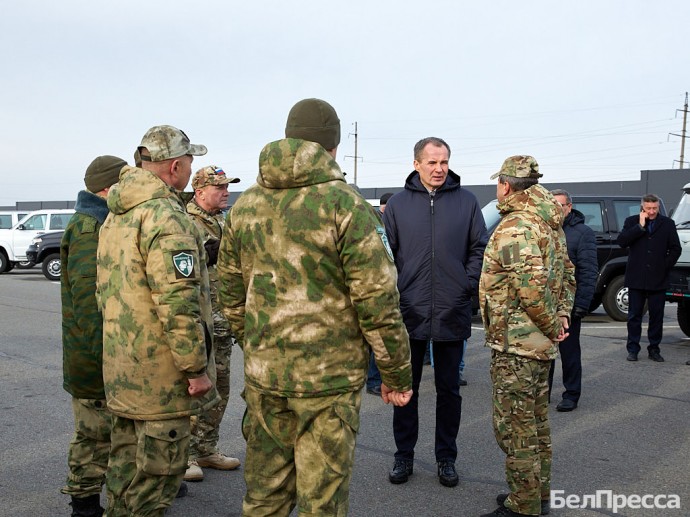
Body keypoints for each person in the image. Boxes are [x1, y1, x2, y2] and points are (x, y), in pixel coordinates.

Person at [217, 98, 413, 516]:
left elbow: (230, 295)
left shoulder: (244, 206)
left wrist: (256, 348)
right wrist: (396, 372)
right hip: (328, 383)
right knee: (321, 502)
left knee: (264, 497)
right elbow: (377, 299)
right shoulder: (346, 204)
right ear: (333, 147)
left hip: (265, 377)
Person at [96, 125, 219, 517]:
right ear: (175, 167)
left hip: (122, 372)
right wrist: (195, 369)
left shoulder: (115, 216)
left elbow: (104, 294)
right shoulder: (166, 217)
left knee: (123, 475)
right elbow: (178, 303)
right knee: (155, 483)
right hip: (161, 381)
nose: (188, 169)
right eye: (189, 162)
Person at [382, 136, 488, 487]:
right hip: (408, 311)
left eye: (444, 162)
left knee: (449, 391)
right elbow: (387, 256)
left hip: (451, 309)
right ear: (416, 164)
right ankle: (404, 456)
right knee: (404, 389)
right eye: (432, 162)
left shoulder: (467, 202)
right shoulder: (397, 205)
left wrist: (464, 284)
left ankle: (446, 457)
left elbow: (478, 248)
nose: (439, 169)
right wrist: (396, 294)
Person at [479, 155, 575, 517]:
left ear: (505, 185)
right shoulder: (550, 223)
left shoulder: (517, 226)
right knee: (535, 425)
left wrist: (552, 324)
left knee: (515, 430)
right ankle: (538, 495)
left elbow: (531, 290)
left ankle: (523, 506)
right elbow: (568, 274)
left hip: (516, 347)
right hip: (539, 346)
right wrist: (561, 318)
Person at [61, 155, 126, 517]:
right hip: (93, 358)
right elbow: (88, 302)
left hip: (102, 354)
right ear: (107, 188)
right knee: (93, 436)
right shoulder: (89, 227)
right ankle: (84, 505)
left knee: (109, 434)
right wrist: (108, 359)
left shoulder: (101, 221)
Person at [184, 165, 242, 482]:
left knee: (221, 389)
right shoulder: (187, 221)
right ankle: (186, 455)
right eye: (219, 187)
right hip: (200, 324)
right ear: (200, 191)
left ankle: (207, 448)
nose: (225, 192)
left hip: (223, 322)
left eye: (226, 186)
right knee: (196, 390)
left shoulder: (221, 221)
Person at [547, 189, 598, 412]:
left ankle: (571, 394)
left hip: (568, 305)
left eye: (561, 205)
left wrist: (580, 305)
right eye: (553, 205)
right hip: (544, 305)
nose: (557, 209)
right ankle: (542, 393)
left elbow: (588, 271)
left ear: (569, 207)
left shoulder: (583, 233)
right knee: (543, 352)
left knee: (569, 353)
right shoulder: (543, 229)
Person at [617, 193, 681, 362]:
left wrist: (664, 265)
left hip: (658, 279)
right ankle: (633, 349)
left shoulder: (668, 224)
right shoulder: (632, 222)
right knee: (634, 316)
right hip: (636, 277)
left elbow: (676, 249)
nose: (652, 212)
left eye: (655, 208)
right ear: (642, 207)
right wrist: (640, 226)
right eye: (648, 208)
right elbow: (622, 241)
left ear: (658, 207)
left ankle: (654, 348)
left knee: (656, 316)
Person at [365, 191, 394, 396]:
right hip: (375, 289)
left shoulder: (385, 223)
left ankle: (374, 378)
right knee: (378, 339)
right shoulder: (376, 224)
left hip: (379, 286)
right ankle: (373, 380)